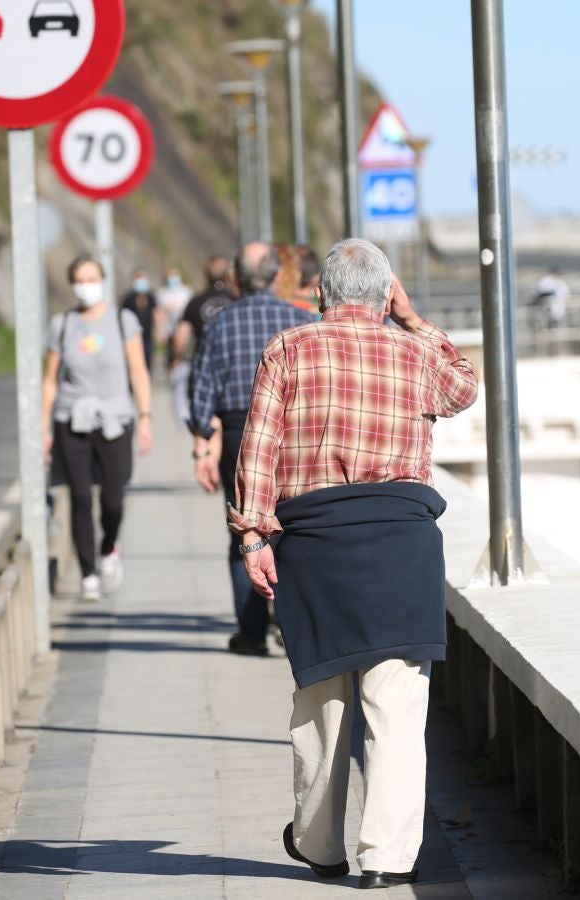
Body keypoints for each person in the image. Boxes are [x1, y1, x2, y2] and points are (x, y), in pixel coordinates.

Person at [229, 238, 477, 889]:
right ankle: (387, 858)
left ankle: (319, 844)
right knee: (396, 707)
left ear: (320, 294)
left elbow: (259, 446)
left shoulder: (288, 348)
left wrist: (252, 537)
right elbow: (464, 388)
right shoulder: (416, 353)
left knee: (321, 702)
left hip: (315, 544)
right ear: (387, 294)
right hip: (401, 543)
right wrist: (414, 320)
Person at [189, 242, 313, 656]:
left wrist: (202, 442)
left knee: (246, 529)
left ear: (238, 280)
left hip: (238, 431)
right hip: (292, 431)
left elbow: (201, 390)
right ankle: (296, 631)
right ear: (278, 276)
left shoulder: (219, 325)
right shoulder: (301, 322)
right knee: (295, 527)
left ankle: (252, 633)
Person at [42, 255, 154, 603]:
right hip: (72, 418)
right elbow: (50, 380)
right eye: (80, 279)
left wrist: (145, 416)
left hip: (115, 419)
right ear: (72, 284)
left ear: (103, 281)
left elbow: (138, 371)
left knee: (113, 499)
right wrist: (44, 428)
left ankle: (108, 548)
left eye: (92, 278)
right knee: (79, 497)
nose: (86, 286)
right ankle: (88, 575)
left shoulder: (122, 320)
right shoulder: (62, 324)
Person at [171, 256, 235, 431]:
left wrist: (179, 357)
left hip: (204, 368)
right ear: (228, 276)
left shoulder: (196, 301)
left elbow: (180, 337)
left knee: (206, 424)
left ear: (206, 275)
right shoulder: (237, 299)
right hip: (232, 368)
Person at [120, 268, 161, 376]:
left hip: (147, 335)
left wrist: (159, 331)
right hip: (131, 336)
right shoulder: (128, 298)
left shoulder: (150, 296)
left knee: (147, 362)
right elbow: (122, 315)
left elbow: (156, 313)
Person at [156, 266, 192, 359]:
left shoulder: (186, 292)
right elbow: (159, 313)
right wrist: (161, 331)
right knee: (171, 356)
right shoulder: (162, 293)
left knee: (182, 355)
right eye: (170, 275)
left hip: (183, 330)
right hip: (169, 330)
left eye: (175, 274)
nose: (173, 278)